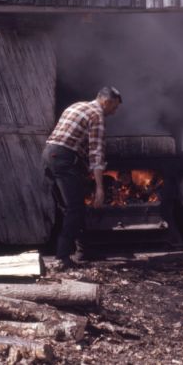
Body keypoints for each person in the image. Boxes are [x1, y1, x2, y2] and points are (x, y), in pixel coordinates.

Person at [43, 86, 122, 269]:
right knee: (75, 208)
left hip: (49, 155)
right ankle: (62, 257)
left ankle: (82, 252)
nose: (115, 112)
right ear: (106, 102)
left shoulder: (77, 106)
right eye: (115, 107)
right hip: (63, 158)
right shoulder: (97, 115)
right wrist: (100, 188)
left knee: (68, 207)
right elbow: (96, 153)